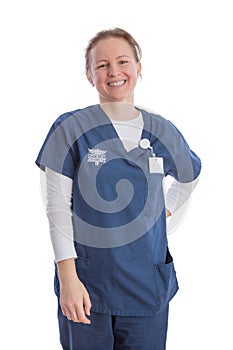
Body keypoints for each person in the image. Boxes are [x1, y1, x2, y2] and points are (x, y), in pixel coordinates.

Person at [36, 28, 201, 350]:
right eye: (102, 65)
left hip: (146, 284)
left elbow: (190, 175)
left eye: (123, 61)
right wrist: (68, 279)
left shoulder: (161, 130)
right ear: (89, 75)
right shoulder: (70, 128)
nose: (114, 72)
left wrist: (164, 210)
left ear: (139, 67)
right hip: (88, 284)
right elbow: (56, 207)